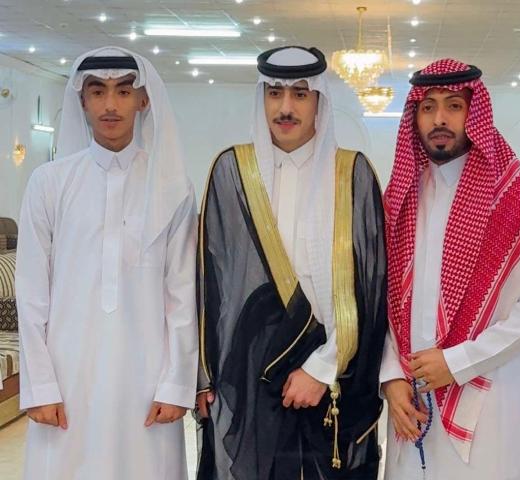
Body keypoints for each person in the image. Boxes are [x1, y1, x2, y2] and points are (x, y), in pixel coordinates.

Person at [196, 46, 387, 480]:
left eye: (300, 94)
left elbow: (372, 289)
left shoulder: (352, 173)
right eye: (275, 93)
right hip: (249, 378)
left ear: (319, 101)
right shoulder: (232, 170)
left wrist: (322, 368)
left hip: (334, 375)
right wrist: (203, 376)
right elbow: (210, 285)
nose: (285, 107)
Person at [16, 46, 198, 480]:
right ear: (82, 100)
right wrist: (40, 385)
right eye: (98, 91)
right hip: (67, 375)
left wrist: (176, 384)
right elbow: (31, 293)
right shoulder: (49, 182)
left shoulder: (171, 187)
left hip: (146, 377)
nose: (110, 105)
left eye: (124, 91)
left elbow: (182, 293)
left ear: (144, 99)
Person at [381, 58, 520, 480]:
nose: (439, 119)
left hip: (487, 392)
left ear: (474, 113)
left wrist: (459, 362)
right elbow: (380, 297)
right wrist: (390, 378)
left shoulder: (512, 198)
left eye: (454, 105)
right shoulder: (400, 199)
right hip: (409, 398)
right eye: (428, 107)